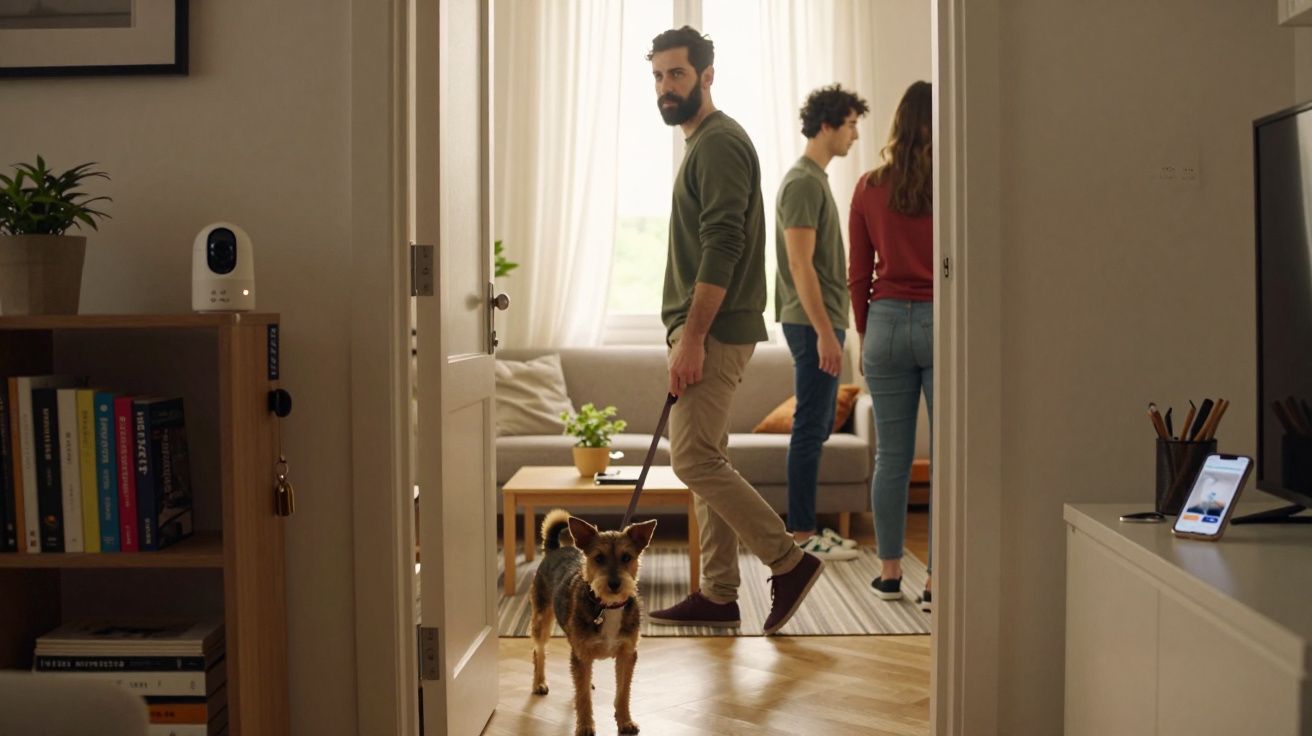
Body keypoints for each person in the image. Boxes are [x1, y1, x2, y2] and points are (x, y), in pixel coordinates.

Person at [643, 26, 824, 635]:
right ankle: (720, 594)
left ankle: (788, 561)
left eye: (678, 75)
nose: (667, 88)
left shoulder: (719, 143)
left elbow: (724, 243)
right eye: (659, 76)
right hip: (708, 328)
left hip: (713, 331)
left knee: (691, 458)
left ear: (707, 76)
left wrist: (691, 337)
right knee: (708, 456)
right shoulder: (703, 144)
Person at [848, 80, 935, 612]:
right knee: (950, 461)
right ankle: (938, 580)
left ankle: (888, 573)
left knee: (892, 460)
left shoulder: (868, 185)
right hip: (941, 321)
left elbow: (858, 274)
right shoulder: (953, 181)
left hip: (883, 323)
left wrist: (864, 334)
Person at [775, 84, 870, 562]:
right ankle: (802, 536)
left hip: (820, 322)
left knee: (813, 429)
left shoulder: (815, 179)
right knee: (809, 430)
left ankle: (805, 531)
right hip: (812, 323)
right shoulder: (803, 182)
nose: (855, 134)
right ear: (828, 125)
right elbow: (800, 265)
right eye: (851, 124)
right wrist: (827, 333)